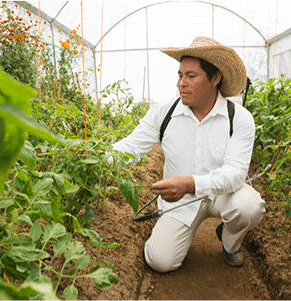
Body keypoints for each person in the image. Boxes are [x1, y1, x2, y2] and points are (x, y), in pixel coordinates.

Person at [109, 37, 265, 272]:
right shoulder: (165, 113)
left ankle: (230, 243)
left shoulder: (239, 119)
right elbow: (131, 146)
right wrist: (95, 158)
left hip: (222, 196)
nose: (181, 83)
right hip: (180, 202)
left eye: (191, 76)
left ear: (215, 78)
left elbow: (235, 174)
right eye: (180, 75)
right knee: (160, 261)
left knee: (249, 206)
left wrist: (190, 183)